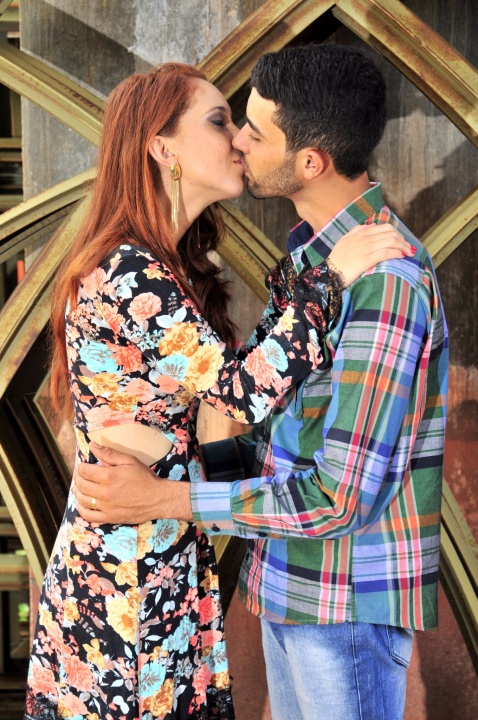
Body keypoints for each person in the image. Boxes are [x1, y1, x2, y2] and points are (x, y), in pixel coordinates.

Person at [25, 60, 411, 720]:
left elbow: (231, 382)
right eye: (218, 121)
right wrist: (328, 280)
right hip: (127, 575)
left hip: (158, 547)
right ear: (162, 148)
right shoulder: (128, 269)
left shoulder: (158, 262)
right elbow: (239, 395)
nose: (237, 138)